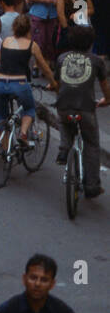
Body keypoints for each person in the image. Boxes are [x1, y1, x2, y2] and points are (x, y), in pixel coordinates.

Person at [53, 25, 110, 198]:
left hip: (64, 105)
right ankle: (92, 185)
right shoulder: (96, 61)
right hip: (86, 107)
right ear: (90, 42)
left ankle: (64, 148)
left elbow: (58, 82)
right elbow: (105, 86)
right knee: (91, 145)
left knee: (63, 121)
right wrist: (107, 100)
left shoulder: (62, 58)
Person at [0, 13, 56, 147]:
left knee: (2, 114)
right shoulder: (31, 45)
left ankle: (5, 149)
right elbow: (45, 68)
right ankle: (22, 133)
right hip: (19, 83)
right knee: (29, 109)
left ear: (14, 28)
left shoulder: (5, 41)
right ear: (29, 29)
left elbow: (0, 60)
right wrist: (54, 83)